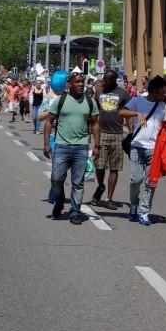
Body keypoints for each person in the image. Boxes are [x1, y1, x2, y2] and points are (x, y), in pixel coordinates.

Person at [43, 72, 100, 225]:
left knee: (78, 183)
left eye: (82, 82)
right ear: (69, 84)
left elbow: (95, 124)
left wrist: (97, 145)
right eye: (77, 82)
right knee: (56, 179)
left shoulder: (90, 102)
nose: (81, 84)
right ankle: (60, 201)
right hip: (61, 146)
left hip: (81, 148)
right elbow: (49, 121)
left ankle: (75, 212)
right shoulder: (60, 101)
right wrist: (46, 144)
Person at [92, 70, 148, 211]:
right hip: (102, 133)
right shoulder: (98, 93)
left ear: (114, 80)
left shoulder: (123, 94)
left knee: (114, 168)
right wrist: (91, 133)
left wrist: (130, 133)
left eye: (107, 80)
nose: (104, 82)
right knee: (99, 165)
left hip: (117, 134)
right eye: (104, 80)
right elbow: (93, 115)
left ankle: (109, 199)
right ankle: (100, 186)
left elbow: (128, 114)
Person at [126, 75, 166, 225]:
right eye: (163, 92)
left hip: (155, 150)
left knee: (151, 181)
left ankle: (144, 212)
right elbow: (121, 112)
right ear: (155, 91)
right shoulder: (138, 101)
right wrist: (137, 114)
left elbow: (165, 125)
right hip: (137, 146)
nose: (165, 94)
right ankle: (133, 204)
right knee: (135, 180)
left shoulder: (163, 107)